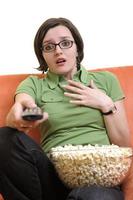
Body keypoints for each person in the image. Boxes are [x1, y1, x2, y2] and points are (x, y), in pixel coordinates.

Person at [0, 17, 131, 200]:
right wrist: (21, 113)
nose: (58, 51)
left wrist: (106, 104)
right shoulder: (34, 85)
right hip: (53, 179)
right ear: (43, 55)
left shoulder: (106, 80)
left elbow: (124, 146)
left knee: (91, 196)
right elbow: (21, 105)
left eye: (66, 43)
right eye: (49, 47)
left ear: (77, 47)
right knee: (4, 137)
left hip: (97, 177)